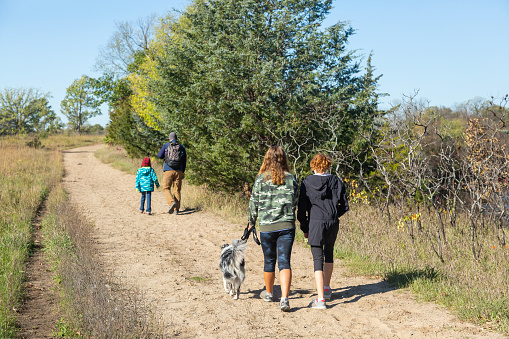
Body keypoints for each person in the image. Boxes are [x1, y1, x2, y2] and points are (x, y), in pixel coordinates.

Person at [248, 146, 299, 312]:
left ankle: (269, 293)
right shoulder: (291, 179)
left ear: (267, 159)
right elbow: (296, 200)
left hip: (267, 226)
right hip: (286, 226)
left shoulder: (260, 179)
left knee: (269, 260)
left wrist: (251, 222)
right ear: (284, 159)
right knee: (284, 261)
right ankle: (284, 298)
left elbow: (253, 202)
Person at [297, 154, 349, 309]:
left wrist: (305, 228)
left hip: (315, 223)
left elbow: (301, 209)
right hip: (332, 222)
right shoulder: (336, 181)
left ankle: (320, 299)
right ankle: (326, 288)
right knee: (330, 252)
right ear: (328, 165)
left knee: (317, 259)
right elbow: (344, 206)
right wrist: (334, 215)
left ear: (313, 165)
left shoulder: (307, 182)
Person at [157, 132, 187, 215]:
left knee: (166, 188)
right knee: (177, 190)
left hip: (168, 170)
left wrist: (165, 156)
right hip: (179, 171)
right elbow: (184, 161)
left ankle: (171, 203)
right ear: (176, 138)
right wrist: (182, 171)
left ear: (169, 138)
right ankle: (176, 210)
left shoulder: (166, 146)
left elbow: (159, 155)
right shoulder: (181, 147)